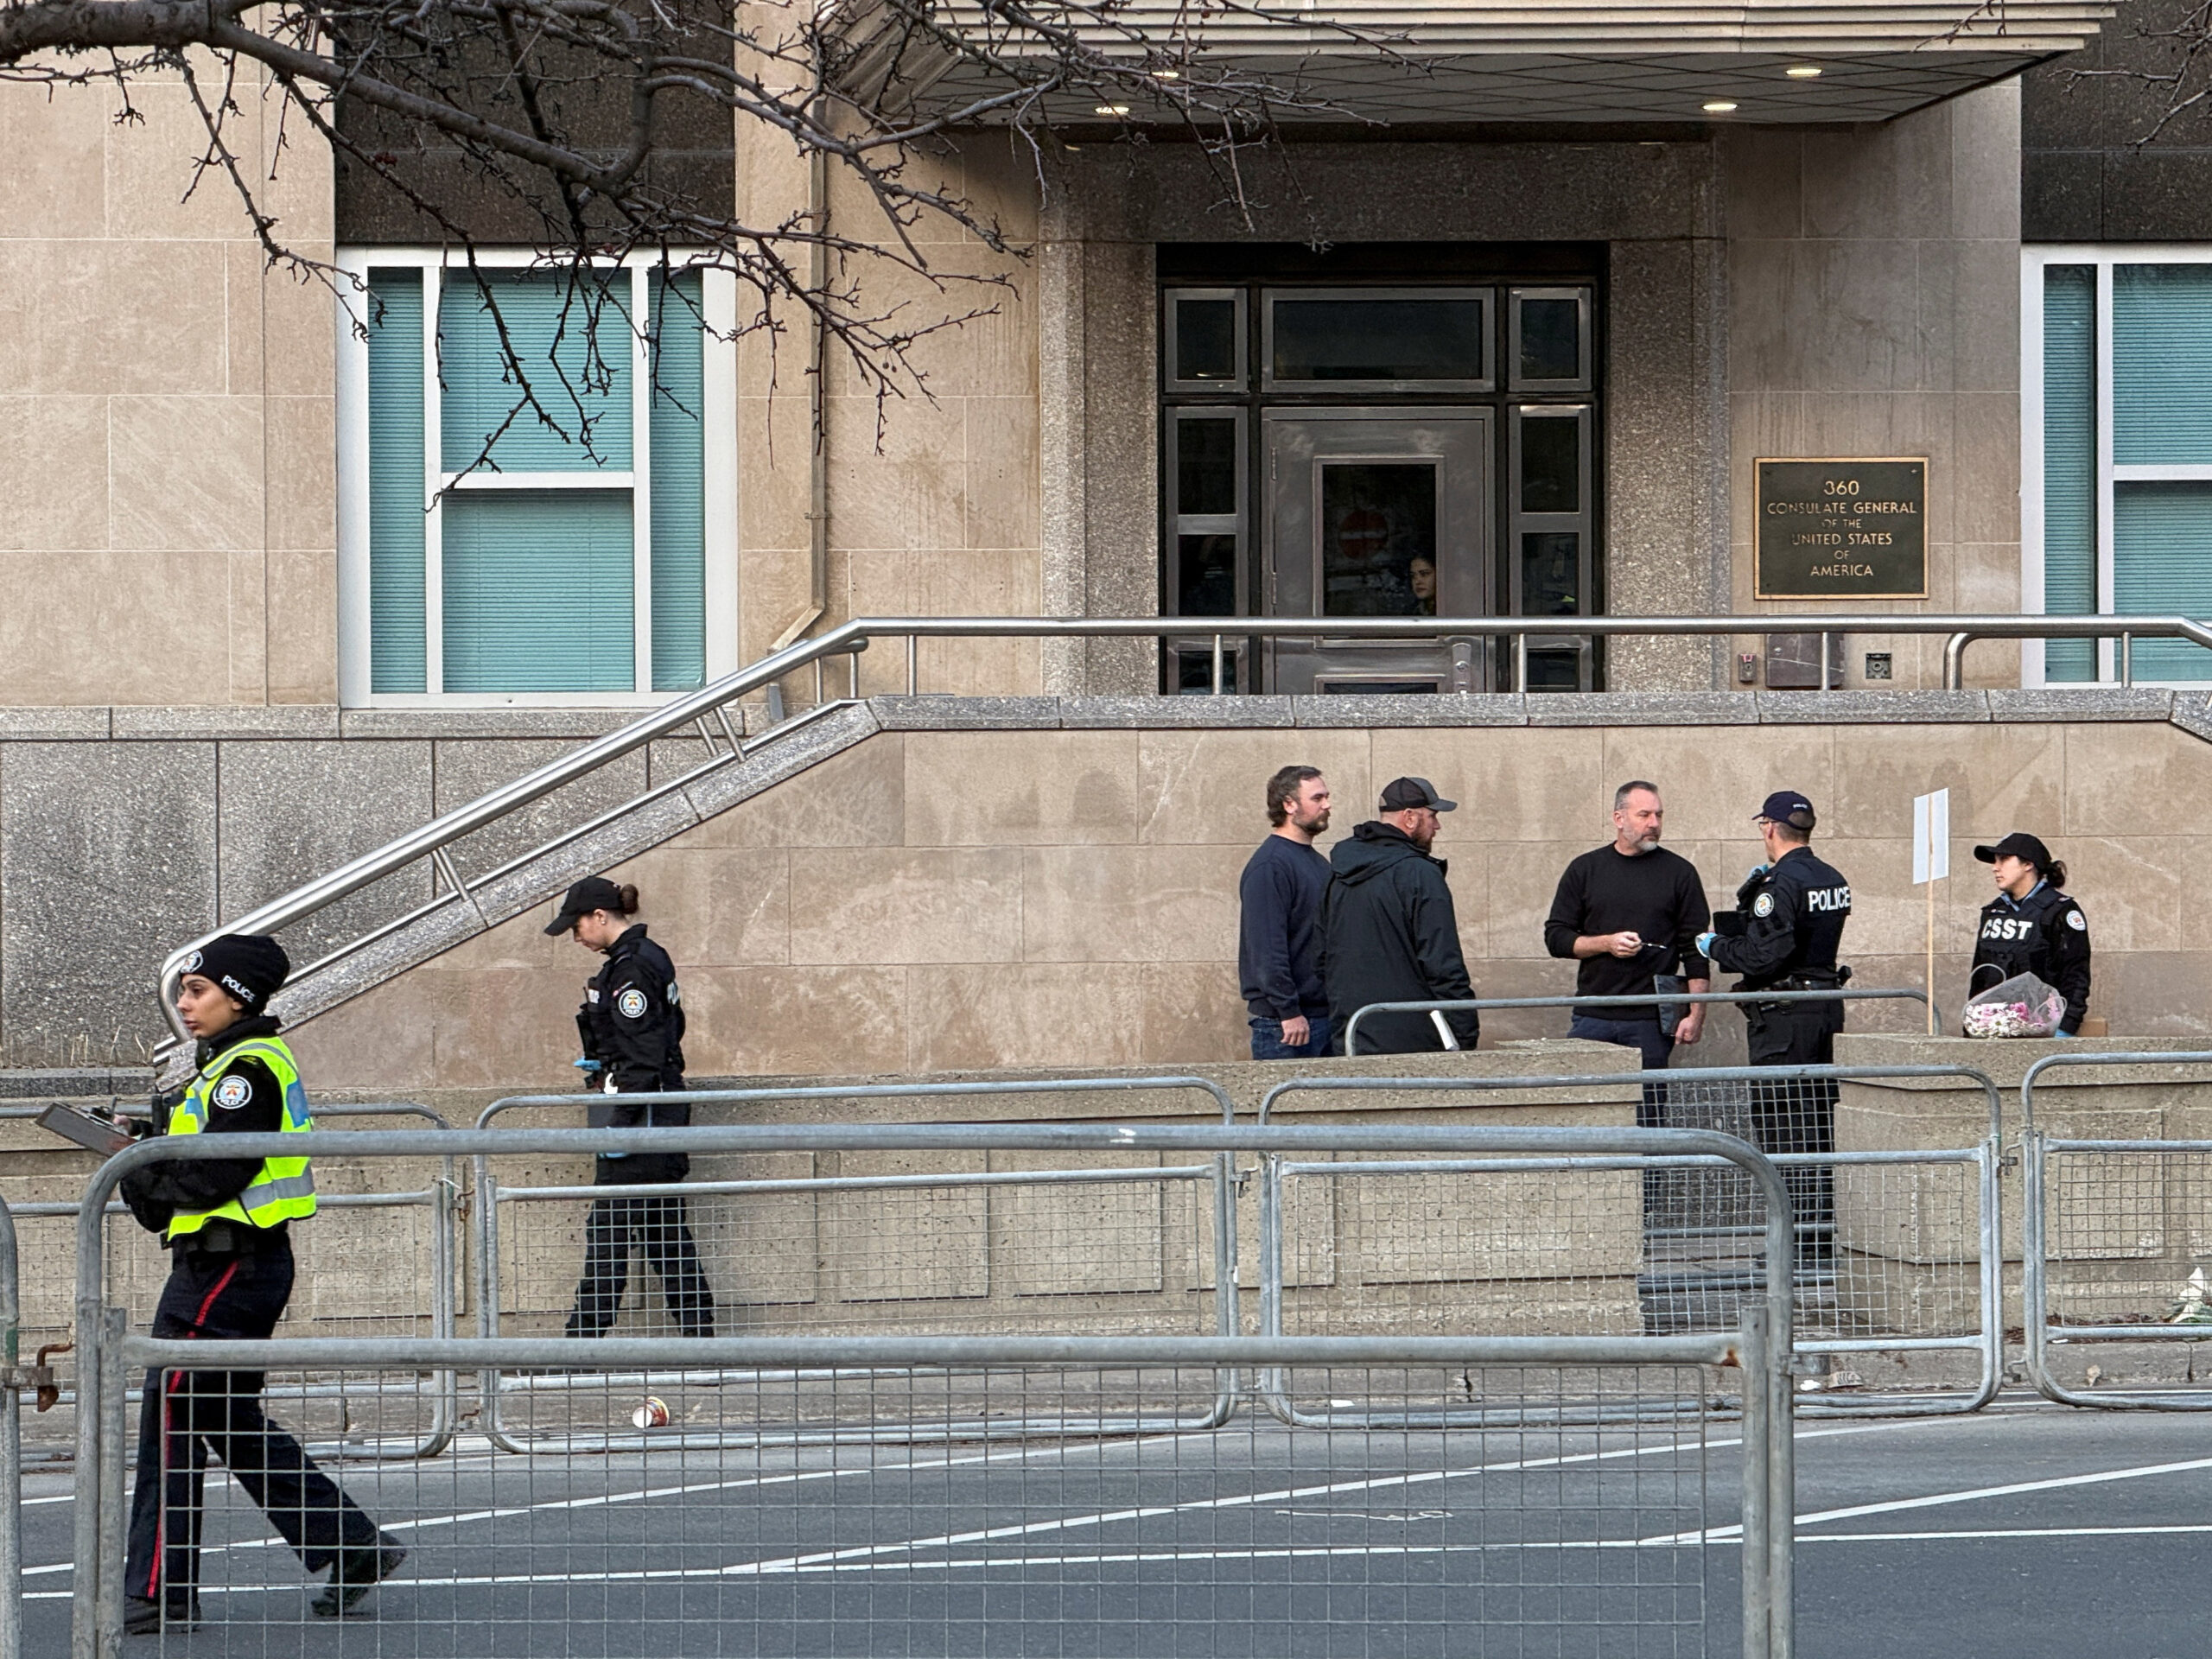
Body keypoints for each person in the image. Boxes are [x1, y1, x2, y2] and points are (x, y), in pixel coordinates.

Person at [118, 934, 404, 1633]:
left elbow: (211, 1177)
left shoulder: (248, 1070)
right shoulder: (221, 1069)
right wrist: (138, 1159)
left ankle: (156, 1593)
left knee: (172, 1413)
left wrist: (139, 1166)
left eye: (197, 991)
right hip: (223, 1264)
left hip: (229, 1267)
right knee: (223, 1418)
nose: (183, 1005)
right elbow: (173, 1191)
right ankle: (351, 1544)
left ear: (237, 996)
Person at [549, 875, 716, 1339]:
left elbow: (643, 1057)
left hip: (641, 1114)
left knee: (609, 1232)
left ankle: (579, 1350)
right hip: (655, 1110)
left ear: (601, 916)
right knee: (663, 1232)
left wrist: (619, 1126)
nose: (575, 937)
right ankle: (700, 1342)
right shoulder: (641, 959)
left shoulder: (631, 969)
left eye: (577, 926)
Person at [1695, 791, 1853, 1268]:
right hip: (1824, 1008)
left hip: (1784, 1017)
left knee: (1784, 1131)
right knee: (1819, 1128)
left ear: (1769, 827)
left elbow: (1765, 956)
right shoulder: (1832, 878)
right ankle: (1819, 1239)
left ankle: (1793, 1246)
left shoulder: (1778, 884)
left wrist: (1716, 945)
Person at [1543, 780, 1713, 1110]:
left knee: (1647, 1114)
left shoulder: (1680, 873)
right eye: (1645, 815)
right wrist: (1606, 943)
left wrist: (1696, 1013)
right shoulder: (1586, 869)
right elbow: (1556, 937)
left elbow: (1696, 949)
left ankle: (1650, 1165)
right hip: (1593, 1015)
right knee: (1587, 1112)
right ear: (1619, 819)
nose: (1654, 824)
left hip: (1651, 1021)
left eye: (1659, 815)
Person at [1319, 776, 1479, 1054]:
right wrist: (1465, 1034)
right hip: (1415, 1041)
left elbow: (1321, 955)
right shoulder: (1421, 874)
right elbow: (1443, 963)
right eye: (1433, 816)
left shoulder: (1338, 874)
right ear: (1410, 818)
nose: (1437, 826)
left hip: (1352, 1035)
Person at [1239, 766, 1335, 1058]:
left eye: (1327, 797)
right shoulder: (1271, 866)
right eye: (1317, 798)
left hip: (1321, 1017)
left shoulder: (1317, 864)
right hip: (1286, 1027)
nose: (1327, 805)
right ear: (1289, 804)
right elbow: (1267, 948)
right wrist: (1288, 1010)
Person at [1968, 831, 2092, 1036]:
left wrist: (2066, 1028)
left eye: (2004, 859)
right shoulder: (1993, 911)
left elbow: (2076, 974)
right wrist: (1972, 1022)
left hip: (2042, 1027)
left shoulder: (2060, 910)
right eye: (1995, 861)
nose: (1995, 868)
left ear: (2028, 864)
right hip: (1991, 1027)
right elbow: (1981, 974)